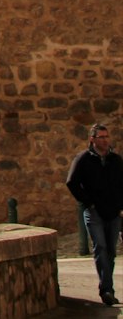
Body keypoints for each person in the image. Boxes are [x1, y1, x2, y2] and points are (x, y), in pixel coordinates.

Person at [67, 123, 123, 306]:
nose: (106, 140)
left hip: (114, 212)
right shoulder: (83, 159)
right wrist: (88, 202)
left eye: (107, 137)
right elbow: (72, 182)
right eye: (102, 137)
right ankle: (106, 290)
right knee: (100, 247)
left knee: (111, 252)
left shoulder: (115, 160)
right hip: (94, 212)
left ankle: (107, 287)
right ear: (92, 139)